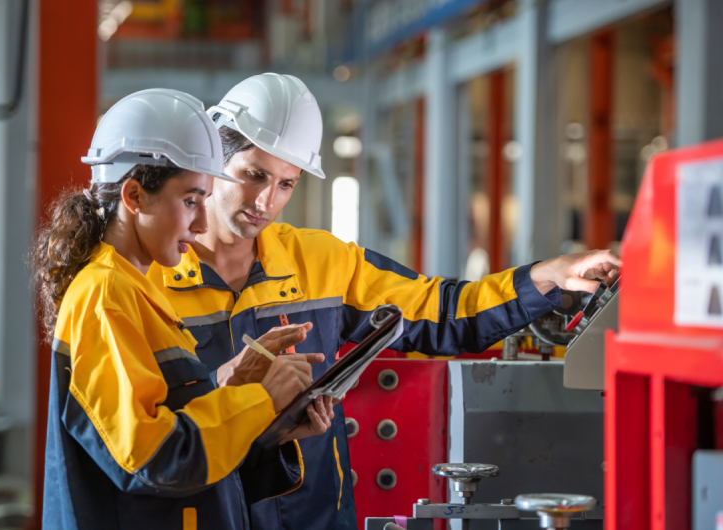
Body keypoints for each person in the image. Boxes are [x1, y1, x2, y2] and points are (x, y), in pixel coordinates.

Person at [147, 74, 621, 530]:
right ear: (213, 160)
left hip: (310, 515)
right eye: (253, 174)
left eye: (287, 183)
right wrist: (219, 388)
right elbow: (134, 432)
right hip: (199, 512)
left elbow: (442, 312)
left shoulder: (323, 262)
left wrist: (548, 276)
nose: (266, 201)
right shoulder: (149, 279)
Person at [31, 88, 337, 530]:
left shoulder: (136, 290)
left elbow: (187, 445)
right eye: (191, 200)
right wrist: (260, 399)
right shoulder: (103, 296)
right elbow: (154, 460)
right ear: (135, 196)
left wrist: (269, 426)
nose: (200, 224)